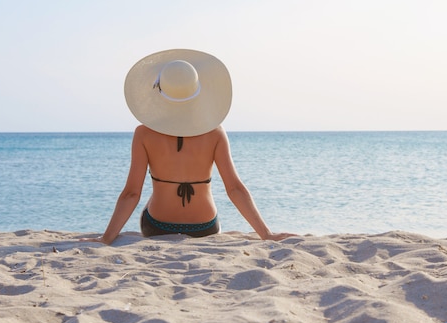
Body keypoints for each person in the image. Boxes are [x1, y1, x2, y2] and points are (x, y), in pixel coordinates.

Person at [80, 49, 296, 245]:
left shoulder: (144, 134)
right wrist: (266, 234)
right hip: (205, 228)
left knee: (152, 199)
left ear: (158, 91)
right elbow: (235, 189)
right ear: (198, 92)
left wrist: (106, 238)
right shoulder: (215, 132)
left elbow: (131, 193)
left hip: (158, 227)